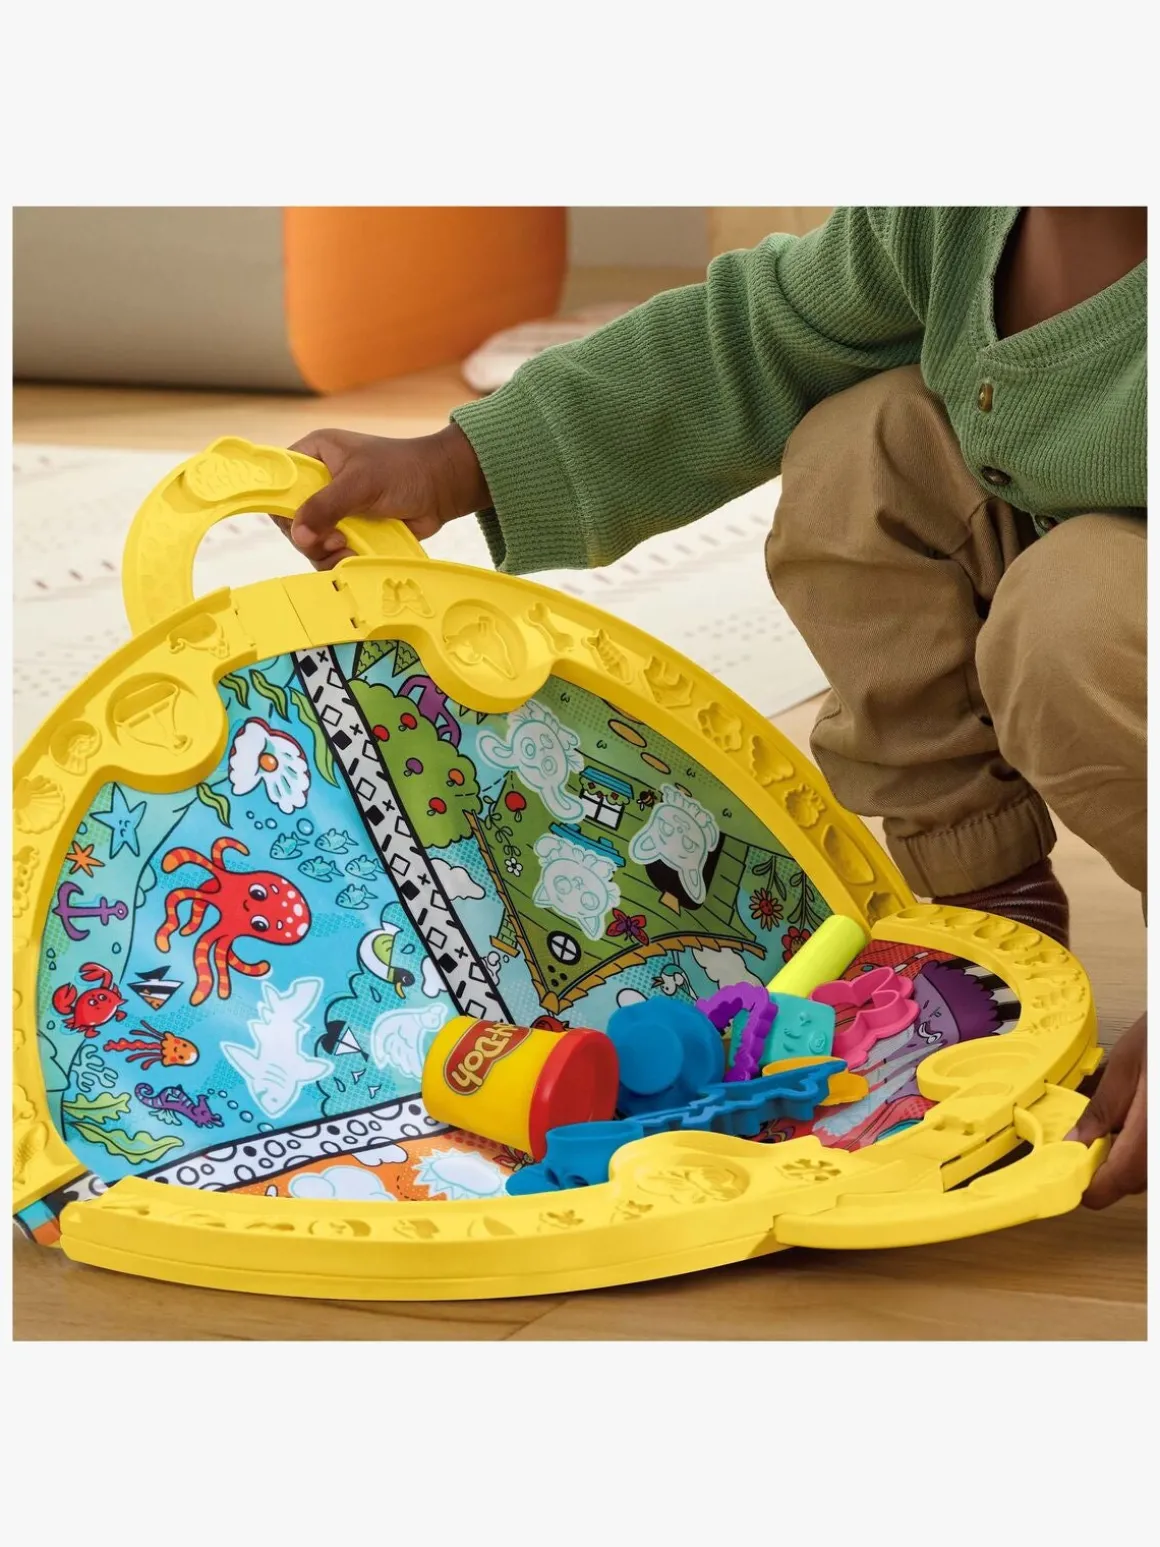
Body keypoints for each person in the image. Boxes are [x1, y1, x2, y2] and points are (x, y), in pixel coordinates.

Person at [279, 207, 1146, 1209]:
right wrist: (453, 462)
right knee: (859, 450)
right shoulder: (950, 212)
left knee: (1069, 612)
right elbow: (739, 345)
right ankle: (989, 897)